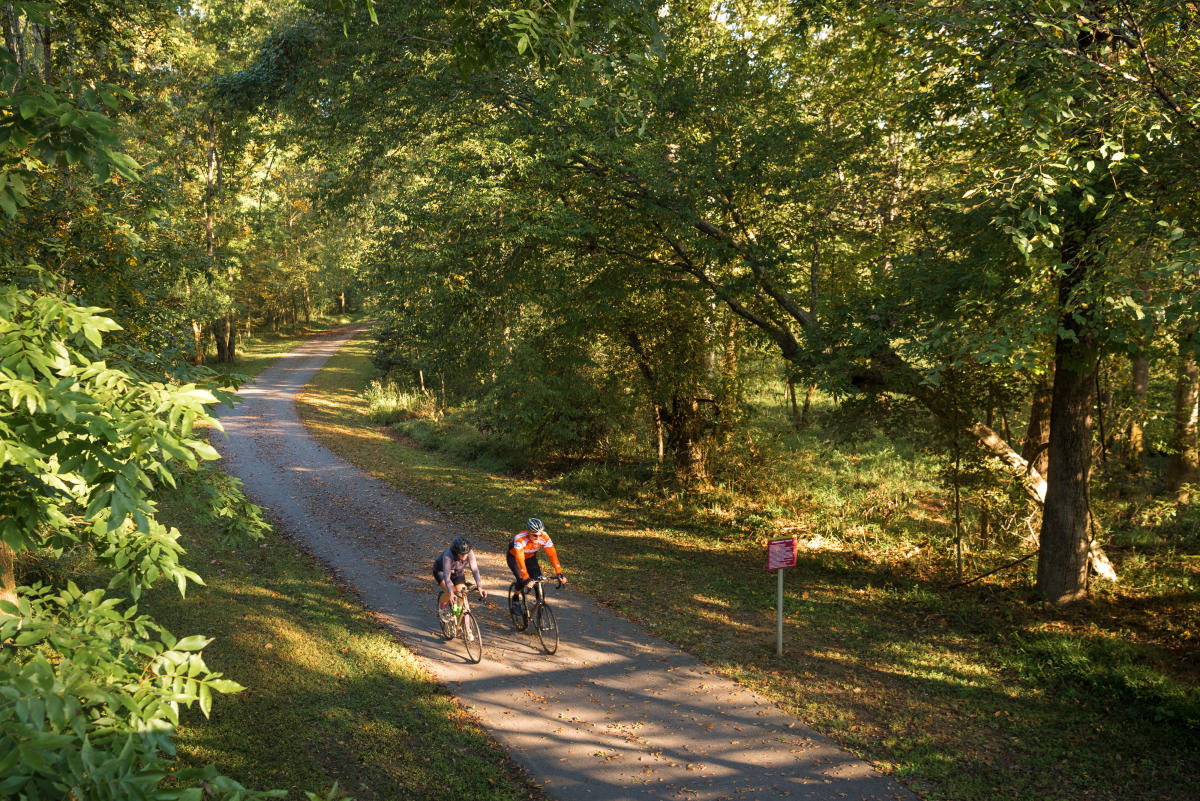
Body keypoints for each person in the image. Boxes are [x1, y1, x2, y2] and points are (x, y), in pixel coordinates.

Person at [507, 517, 567, 593]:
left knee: (537, 579)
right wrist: (525, 577)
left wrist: (559, 572)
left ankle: (540, 603)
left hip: (530, 557)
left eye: (540, 534)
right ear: (529, 533)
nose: (538, 537)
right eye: (535, 535)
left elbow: (553, 556)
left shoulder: (545, 537)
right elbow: (520, 560)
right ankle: (516, 597)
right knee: (521, 579)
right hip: (514, 558)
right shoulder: (520, 539)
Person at [433, 537, 487, 620]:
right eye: (462, 554)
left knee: (462, 594)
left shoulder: (469, 553)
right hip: (442, 572)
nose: (465, 556)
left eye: (466, 553)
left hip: (457, 572)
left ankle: (463, 623)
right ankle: (442, 608)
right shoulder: (448, 555)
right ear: (456, 552)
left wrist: (480, 586)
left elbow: (475, 570)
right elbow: (447, 577)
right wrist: (451, 593)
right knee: (451, 590)